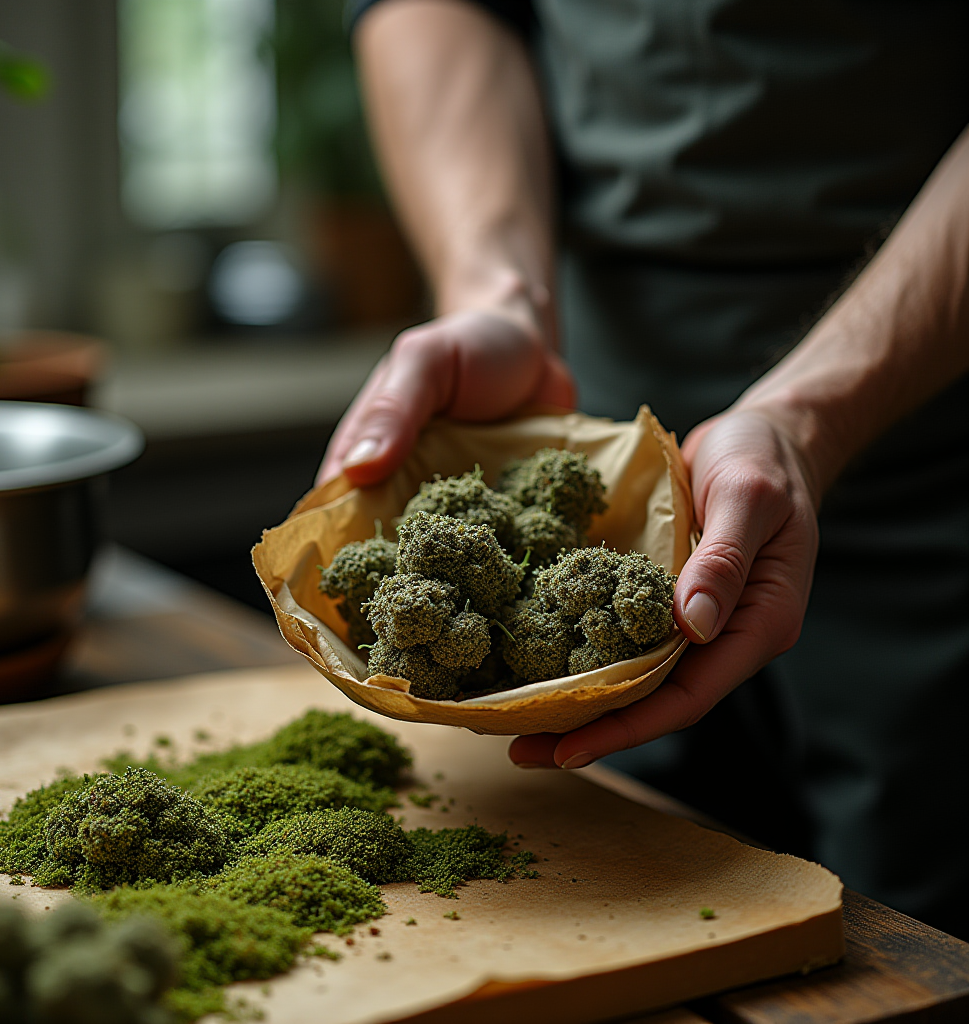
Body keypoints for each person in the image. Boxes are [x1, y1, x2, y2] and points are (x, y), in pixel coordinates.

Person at [318, 0, 969, 937]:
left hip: (924, 426)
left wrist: (807, 416)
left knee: (909, 930)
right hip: (589, 399)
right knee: (614, 901)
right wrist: (500, 293)